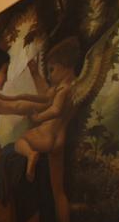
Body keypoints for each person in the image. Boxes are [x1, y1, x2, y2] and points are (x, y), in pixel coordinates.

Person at [0, 48, 48, 190]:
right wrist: (47, 107)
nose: (6, 78)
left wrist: (46, 101)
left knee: (30, 149)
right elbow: (17, 106)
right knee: (38, 158)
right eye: (4, 71)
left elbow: (17, 99)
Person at [15, 37, 81, 184]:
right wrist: (35, 74)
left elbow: (55, 110)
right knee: (57, 186)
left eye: (52, 70)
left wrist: (38, 118)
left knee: (20, 141)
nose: (50, 76)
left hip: (46, 135)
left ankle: (30, 155)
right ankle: (59, 200)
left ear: (65, 65)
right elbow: (46, 95)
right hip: (60, 138)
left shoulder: (63, 90)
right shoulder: (72, 87)